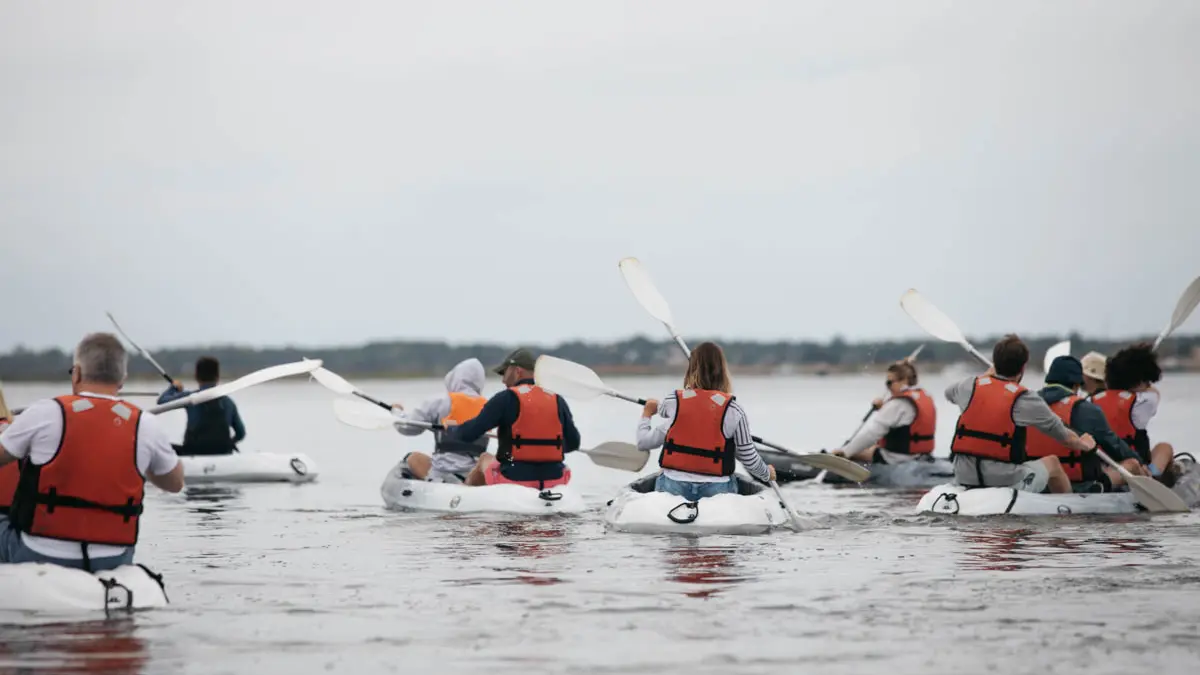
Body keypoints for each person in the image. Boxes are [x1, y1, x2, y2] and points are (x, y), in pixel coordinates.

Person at [0, 333, 184, 572]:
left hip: (39, 551)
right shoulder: (145, 424)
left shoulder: (45, 412)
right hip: (113, 556)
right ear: (122, 379)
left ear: (76, 373)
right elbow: (175, 483)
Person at [946, 334, 1096, 494]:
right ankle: (1068, 507)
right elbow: (1063, 436)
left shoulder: (969, 385)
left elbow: (948, 393)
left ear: (995, 362)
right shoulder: (1025, 398)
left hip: (964, 475)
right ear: (1023, 367)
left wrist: (986, 377)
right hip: (1003, 479)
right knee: (1052, 463)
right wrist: (1083, 443)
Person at [637, 342, 776, 499]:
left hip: (673, 485)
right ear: (723, 371)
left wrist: (647, 413)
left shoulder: (673, 401)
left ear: (690, 370)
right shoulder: (734, 410)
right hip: (717, 488)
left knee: (664, 473)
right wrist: (766, 474)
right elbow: (749, 458)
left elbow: (644, 440)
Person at [440, 348, 581, 488]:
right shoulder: (557, 400)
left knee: (485, 458)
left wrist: (452, 429)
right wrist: (543, 450)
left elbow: (469, 433)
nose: (503, 380)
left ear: (517, 371)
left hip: (515, 478)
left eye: (504, 372)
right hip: (554, 478)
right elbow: (574, 443)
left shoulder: (505, 398)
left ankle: (465, 494)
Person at [1026, 355, 1146, 492]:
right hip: (1080, 486)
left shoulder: (1028, 403)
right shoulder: (1086, 409)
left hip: (1036, 483)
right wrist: (1141, 463)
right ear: (1077, 384)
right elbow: (1116, 447)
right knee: (1131, 464)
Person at [1091, 342, 1178, 484]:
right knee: (1164, 448)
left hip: (1102, 466)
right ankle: (1153, 477)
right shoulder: (1141, 402)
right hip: (1133, 468)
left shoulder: (1092, 400)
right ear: (1139, 383)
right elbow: (1154, 393)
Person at [393, 358, 489, 482]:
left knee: (411, 458)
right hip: (473, 475)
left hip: (442, 472)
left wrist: (396, 412)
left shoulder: (440, 402)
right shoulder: (489, 406)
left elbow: (407, 428)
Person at [831, 359, 936, 464]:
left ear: (904, 380)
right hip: (921, 455)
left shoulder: (897, 404)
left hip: (896, 457)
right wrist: (884, 407)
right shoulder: (923, 396)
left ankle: (836, 456)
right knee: (872, 446)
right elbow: (902, 418)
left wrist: (845, 452)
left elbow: (872, 434)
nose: (887, 386)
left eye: (889, 382)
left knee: (855, 451)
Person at [157, 356, 245, 456]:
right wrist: (229, 444)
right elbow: (241, 434)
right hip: (223, 452)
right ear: (217, 377)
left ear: (196, 377)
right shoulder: (229, 402)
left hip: (192, 452)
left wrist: (174, 388)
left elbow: (162, 401)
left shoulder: (189, 398)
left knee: (160, 445)